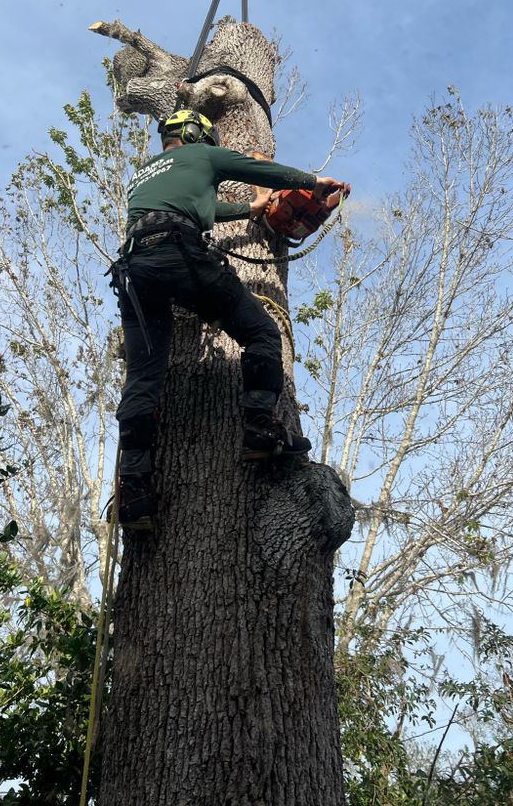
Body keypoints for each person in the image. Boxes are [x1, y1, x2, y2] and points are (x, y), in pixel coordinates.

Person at [113, 108, 349, 529]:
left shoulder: (144, 174)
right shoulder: (202, 154)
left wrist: (249, 209)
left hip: (135, 269)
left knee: (143, 379)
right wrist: (312, 182)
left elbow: (202, 206)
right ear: (197, 134)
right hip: (180, 254)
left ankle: (134, 491)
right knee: (261, 332)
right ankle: (261, 428)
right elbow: (259, 170)